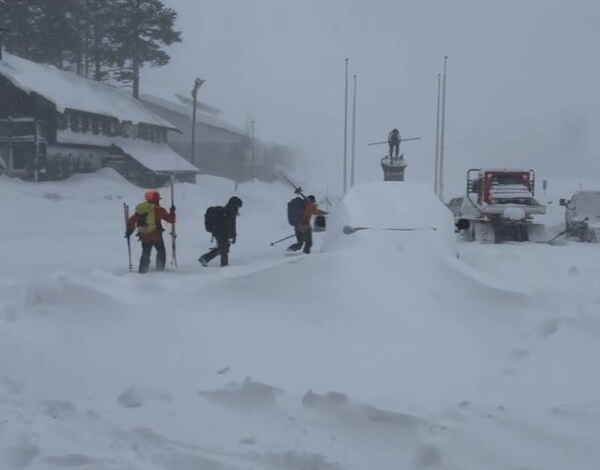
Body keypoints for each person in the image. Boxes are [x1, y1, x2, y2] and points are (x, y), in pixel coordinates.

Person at [125, 190, 176, 273]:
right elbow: (171, 220)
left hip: (144, 235)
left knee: (146, 252)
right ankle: (160, 268)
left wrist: (129, 231)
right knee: (161, 251)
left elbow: (132, 220)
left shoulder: (141, 209)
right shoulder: (159, 210)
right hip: (156, 236)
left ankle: (143, 269)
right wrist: (172, 212)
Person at [199, 196, 242, 267]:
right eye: (238, 206)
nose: (238, 208)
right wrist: (233, 236)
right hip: (221, 233)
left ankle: (205, 258)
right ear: (236, 204)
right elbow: (231, 226)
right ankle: (224, 266)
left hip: (218, 232)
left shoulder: (227, 210)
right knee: (224, 249)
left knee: (223, 248)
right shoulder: (230, 211)